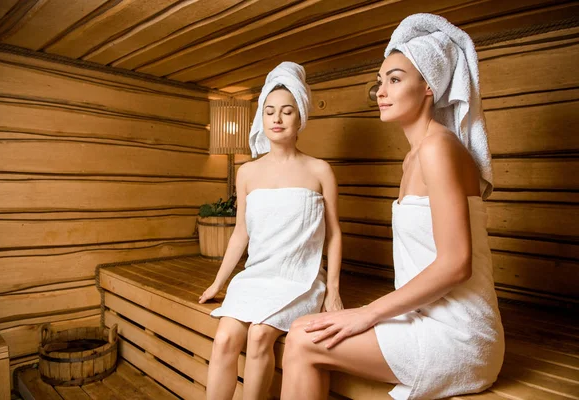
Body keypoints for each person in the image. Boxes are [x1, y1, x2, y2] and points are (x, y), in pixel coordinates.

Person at [280, 13, 505, 400]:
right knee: (305, 329)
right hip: (424, 316)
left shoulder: (438, 148)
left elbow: (456, 264)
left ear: (428, 87)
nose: (381, 91)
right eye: (380, 81)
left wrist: (367, 313)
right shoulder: (415, 156)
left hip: (459, 334)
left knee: (303, 339)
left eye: (396, 79)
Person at [199, 61, 344, 400]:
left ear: (300, 119)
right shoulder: (247, 173)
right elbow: (240, 235)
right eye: (270, 111)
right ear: (261, 120)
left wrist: (333, 291)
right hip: (257, 276)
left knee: (260, 334)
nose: (277, 119)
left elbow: (335, 234)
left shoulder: (320, 171)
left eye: (287, 111)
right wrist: (218, 282)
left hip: (300, 279)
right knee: (223, 340)